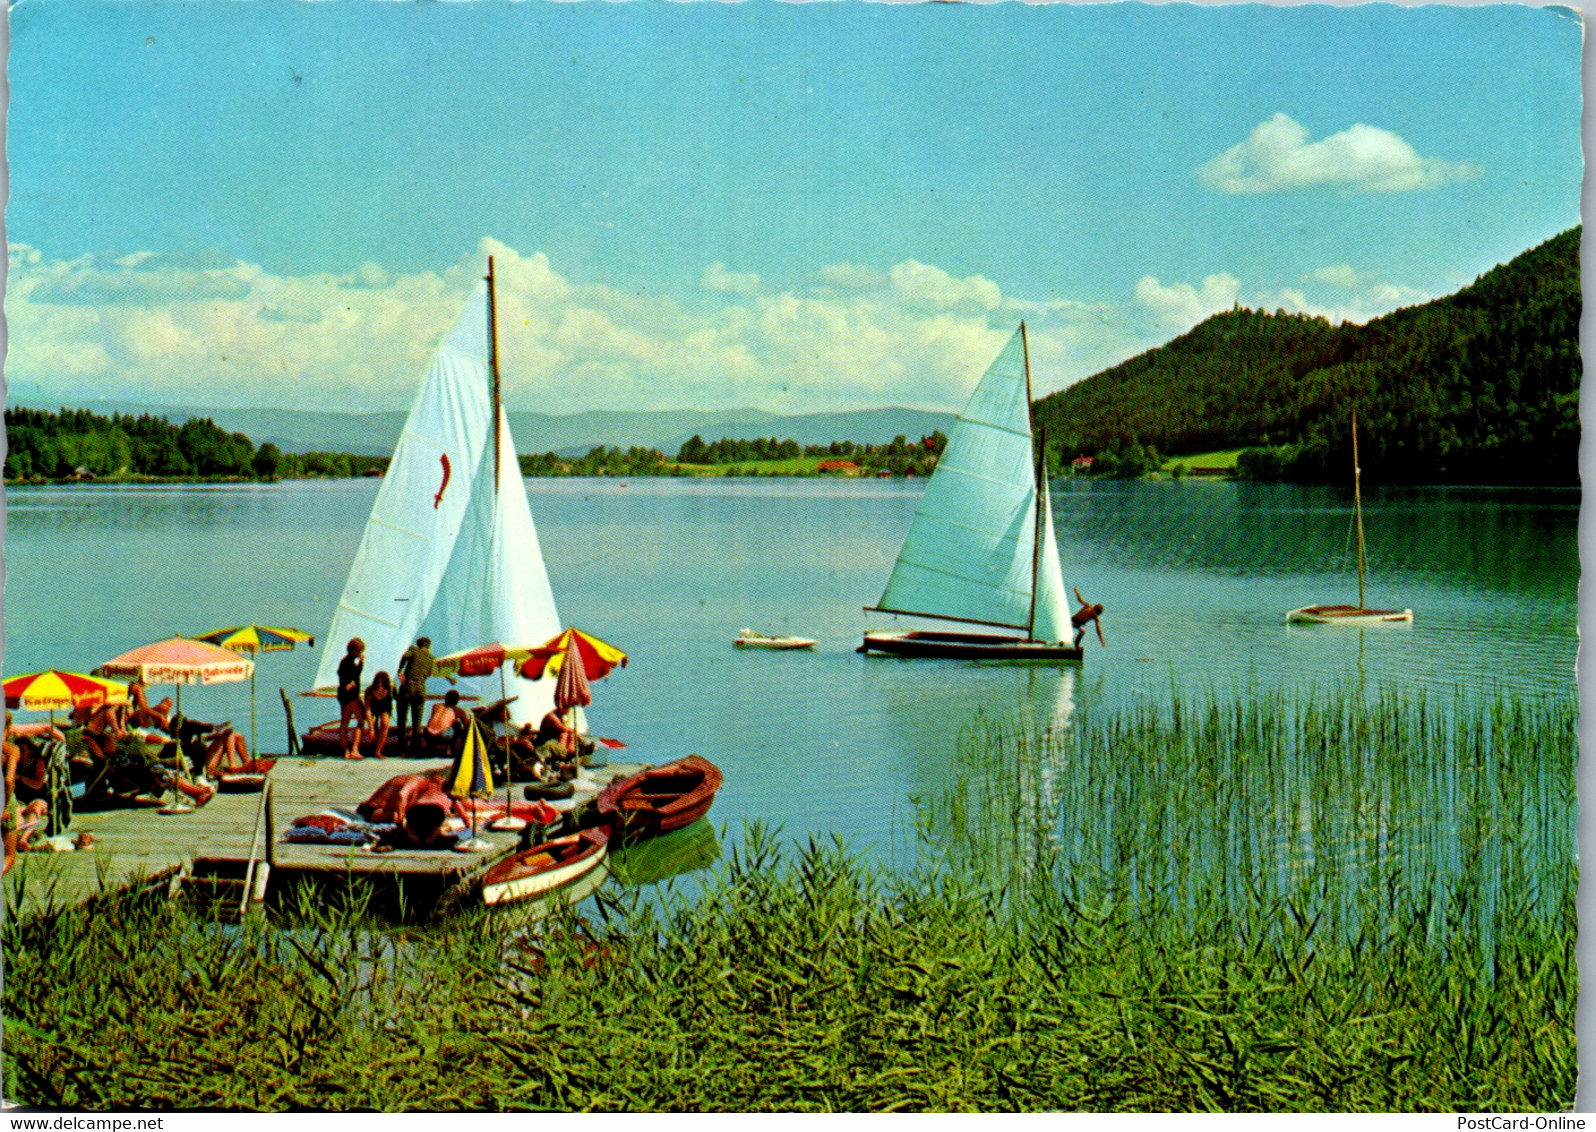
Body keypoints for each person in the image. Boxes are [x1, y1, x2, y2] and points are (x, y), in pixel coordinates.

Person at [396, 637, 450, 753]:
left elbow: (405, 656)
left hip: (408, 686)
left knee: (402, 718)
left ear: (419, 644)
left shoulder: (414, 650)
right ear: (429, 646)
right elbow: (442, 669)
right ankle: (415, 748)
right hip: (421, 689)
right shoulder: (431, 658)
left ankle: (402, 748)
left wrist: (400, 669)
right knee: (417, 720)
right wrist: (451, 679)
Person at [337, 637, 367, 760]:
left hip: (343, 696)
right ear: (354, 650)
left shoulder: (345, 660)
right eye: (360, 651)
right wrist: (361, 664)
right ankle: (354, 749)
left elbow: (341, 674)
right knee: (361, 720)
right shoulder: (349, 662)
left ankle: (346, 751)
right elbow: (354, 675)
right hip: (351, 696)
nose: (361, 654)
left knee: (344, 722)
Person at [363, 671, 395, 758]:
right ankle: (371, 745)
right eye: (378, 682)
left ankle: (378, 751)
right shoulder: (369, 691)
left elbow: (399, 699)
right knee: (372, 723)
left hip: (385, 707)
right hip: (373, 708)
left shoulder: (390, 688)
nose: (380, 685)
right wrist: (371, 728)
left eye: (382, 683)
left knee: (385, 724)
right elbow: (368, 709)